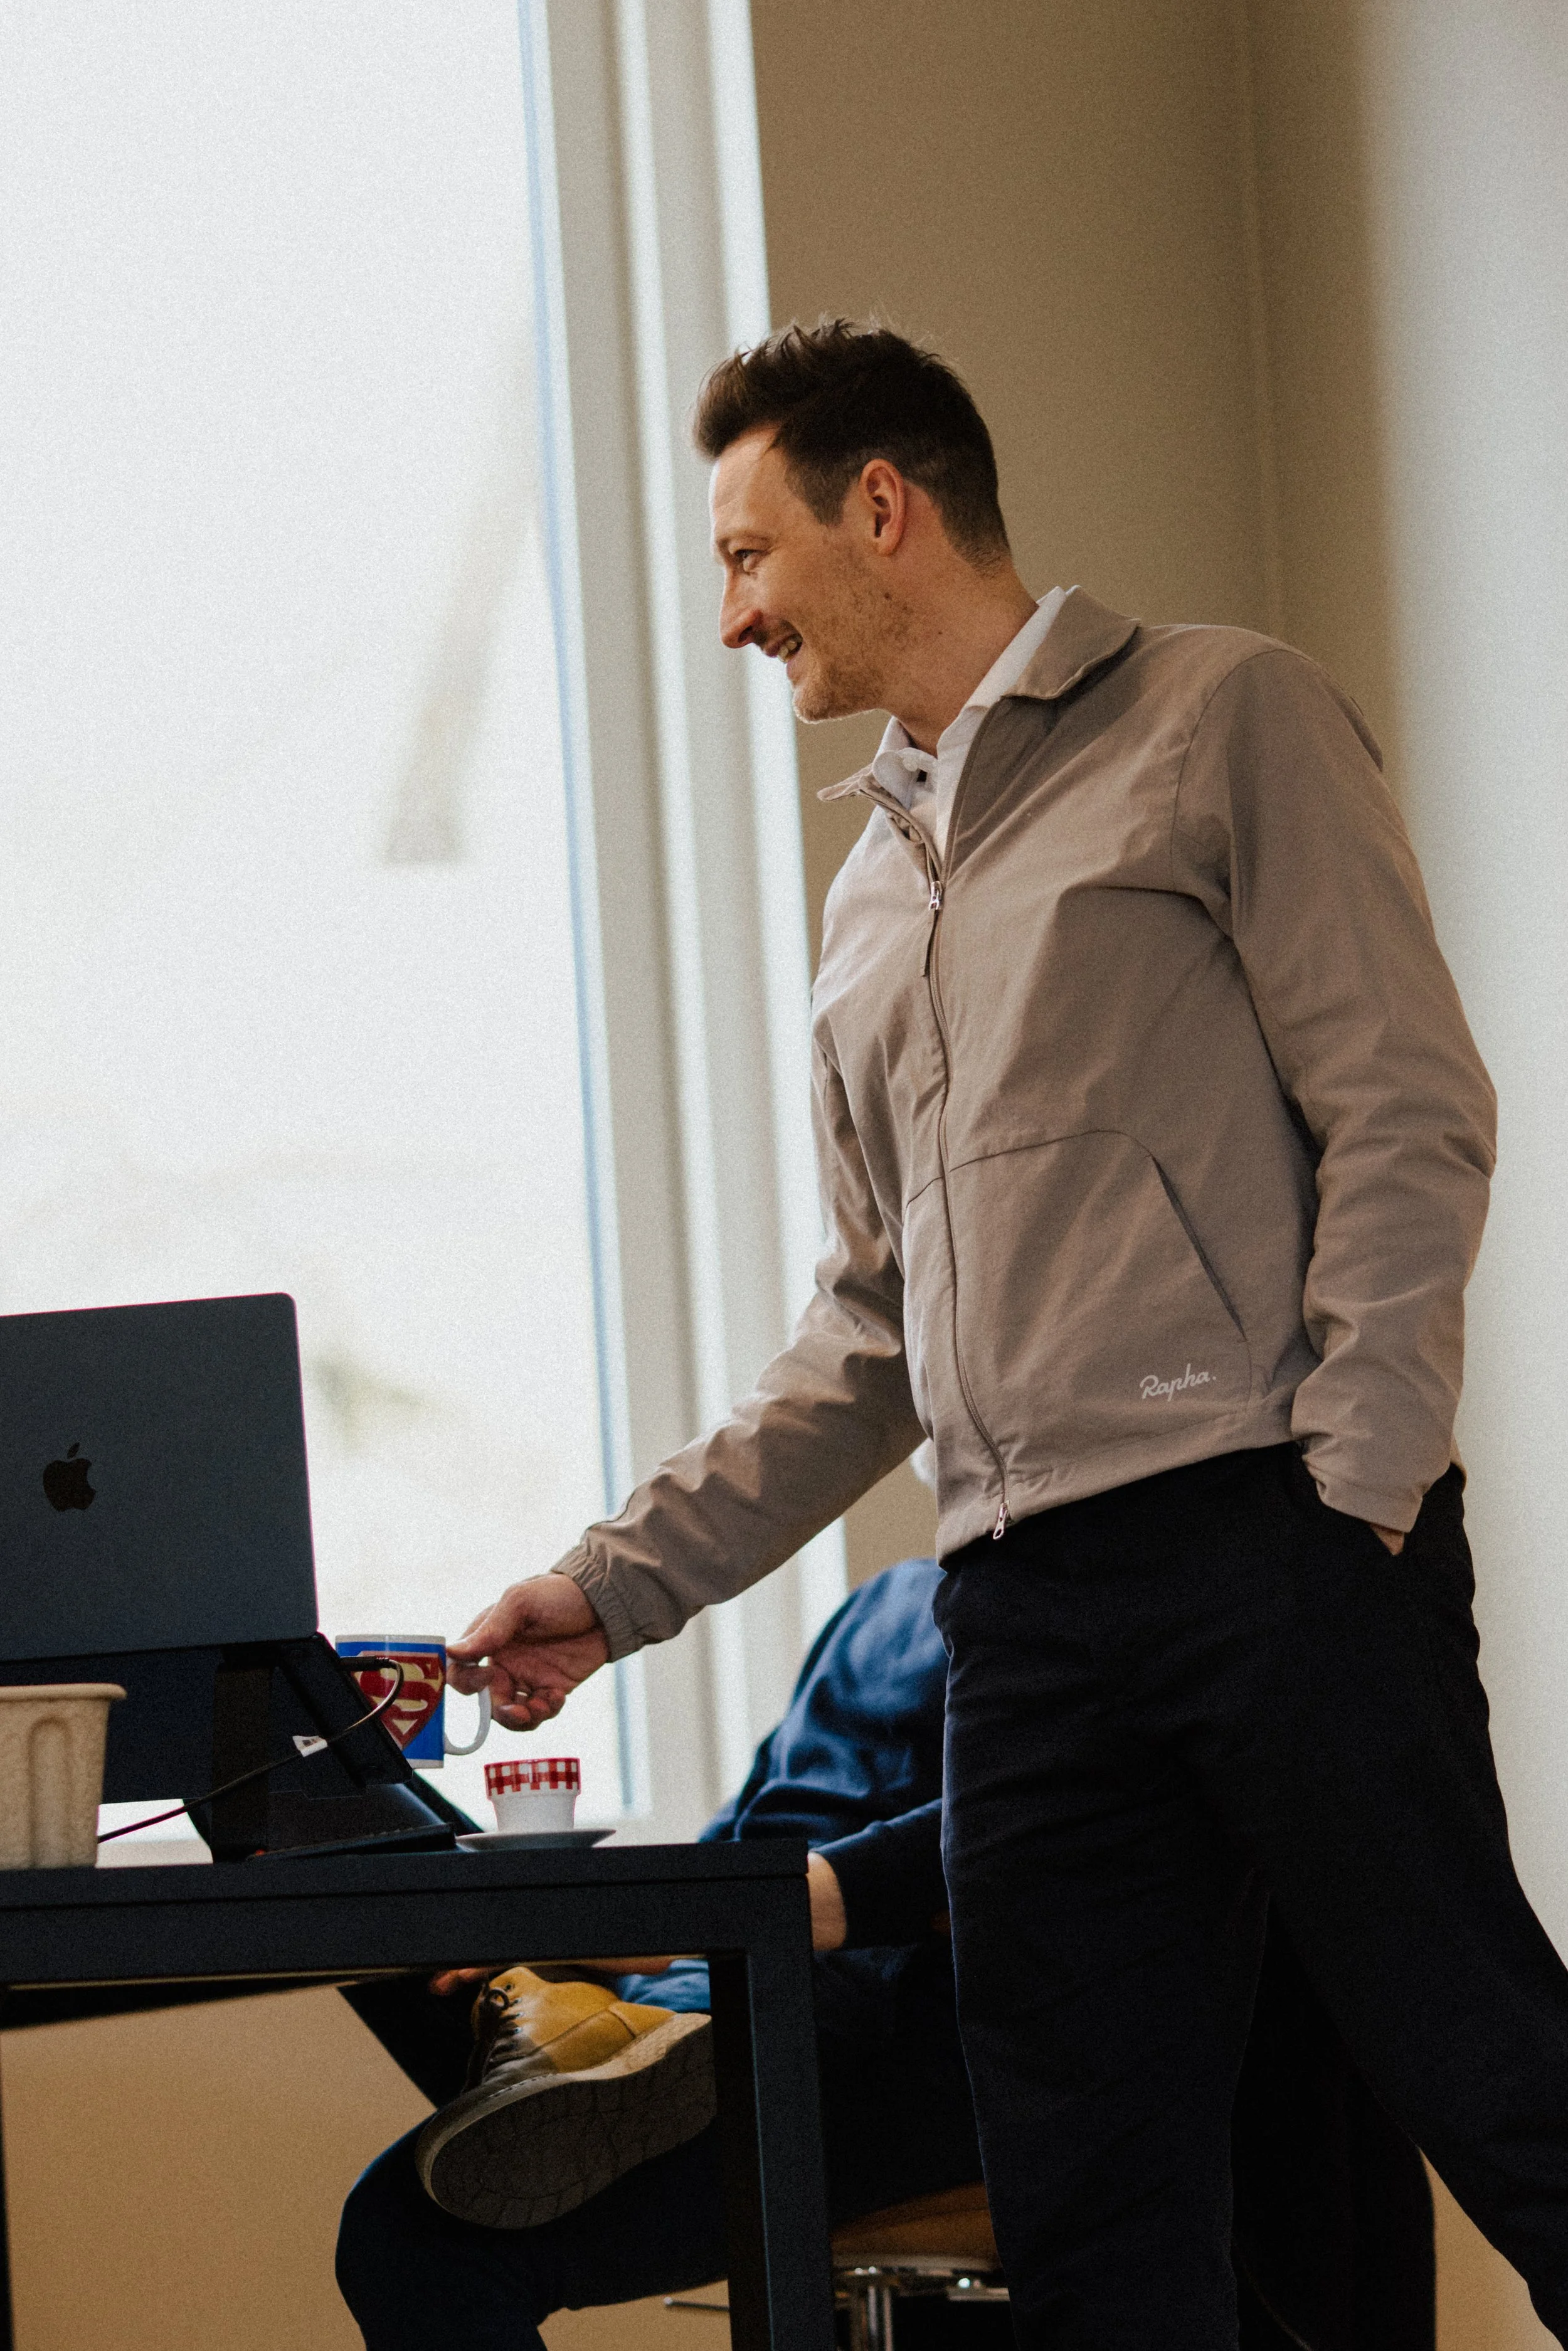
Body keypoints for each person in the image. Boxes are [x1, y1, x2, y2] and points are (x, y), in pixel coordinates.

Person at [443, 321, 1568, 2347]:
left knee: (1500, 2083)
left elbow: (1409, 1105)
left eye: (747, 550)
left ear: (885, 505)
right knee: (1097, 2219)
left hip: (1277, 1544)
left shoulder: (1227, 714)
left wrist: (1359, 1492)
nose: (731, 614)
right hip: (1025, 1624)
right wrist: (615, 1585)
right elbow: (866, 1330)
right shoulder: (871, 896)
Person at [337, 1558, 1436, 2351]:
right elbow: (757, 1830)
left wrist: (692, 1927)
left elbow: (1042, 1861)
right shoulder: (882, 1604)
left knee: (411, 2234)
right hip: (770, 1971)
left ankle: (660, 2036)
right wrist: (574, 1938)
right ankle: (623, 2030)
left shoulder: (1095, 1614)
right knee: (475, 2128)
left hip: (924, 2030)